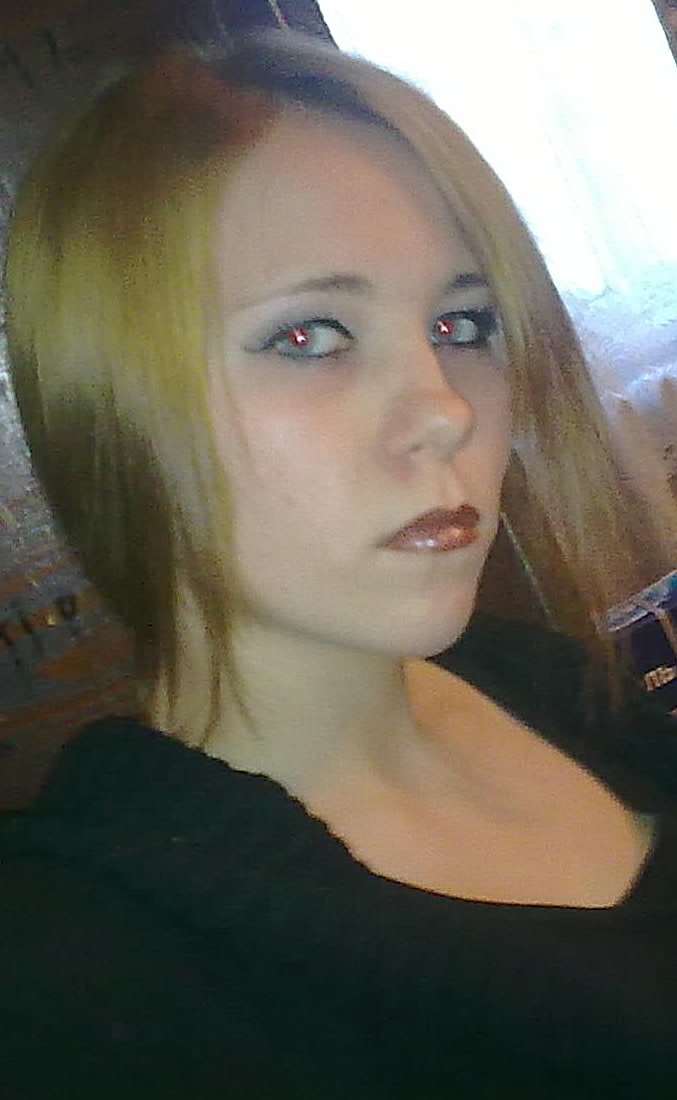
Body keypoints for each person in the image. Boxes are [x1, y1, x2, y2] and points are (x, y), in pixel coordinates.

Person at [1, 27, 676, 1100]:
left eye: (460, 322)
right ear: (113, 406)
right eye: (308, 335)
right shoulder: (89, 986)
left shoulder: (533, 676)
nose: (447, 409)